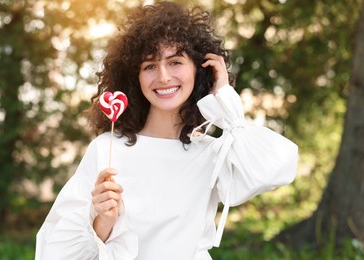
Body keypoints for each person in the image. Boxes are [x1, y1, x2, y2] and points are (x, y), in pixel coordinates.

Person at [35, 1, 298, 259]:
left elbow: (276, 169)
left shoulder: (211, 153)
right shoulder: (106, 149)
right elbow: (56, 251)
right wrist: (102, 222)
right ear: (134, 78)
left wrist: (224, 97)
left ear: (199, 69)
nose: (163, 77)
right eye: (150, 66)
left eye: (175, 62)